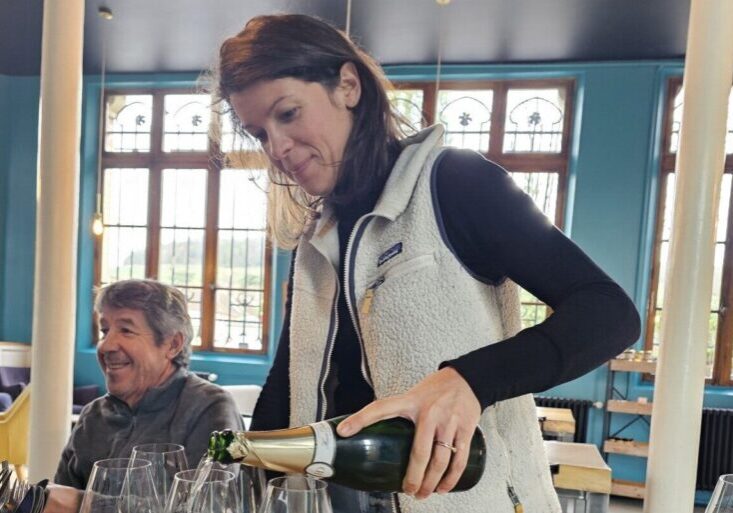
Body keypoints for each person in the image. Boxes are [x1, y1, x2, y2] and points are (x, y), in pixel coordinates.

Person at [216, 14, 640, 513]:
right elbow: (291, 384)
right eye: (260, 134)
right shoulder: (316, 240)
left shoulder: (454, 184)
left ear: (347, 85)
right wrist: (238, 480)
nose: (277, 149)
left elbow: (610, 314)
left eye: (287, 114)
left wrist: (467, 381)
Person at [53, 279, 243, 489]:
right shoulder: (93, 415)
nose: (106, 346)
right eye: (104, 331)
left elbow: (217, 502)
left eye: (126, 330)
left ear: (172, 344)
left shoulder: (214, 407)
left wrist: (82, 504)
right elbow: (58, 497)